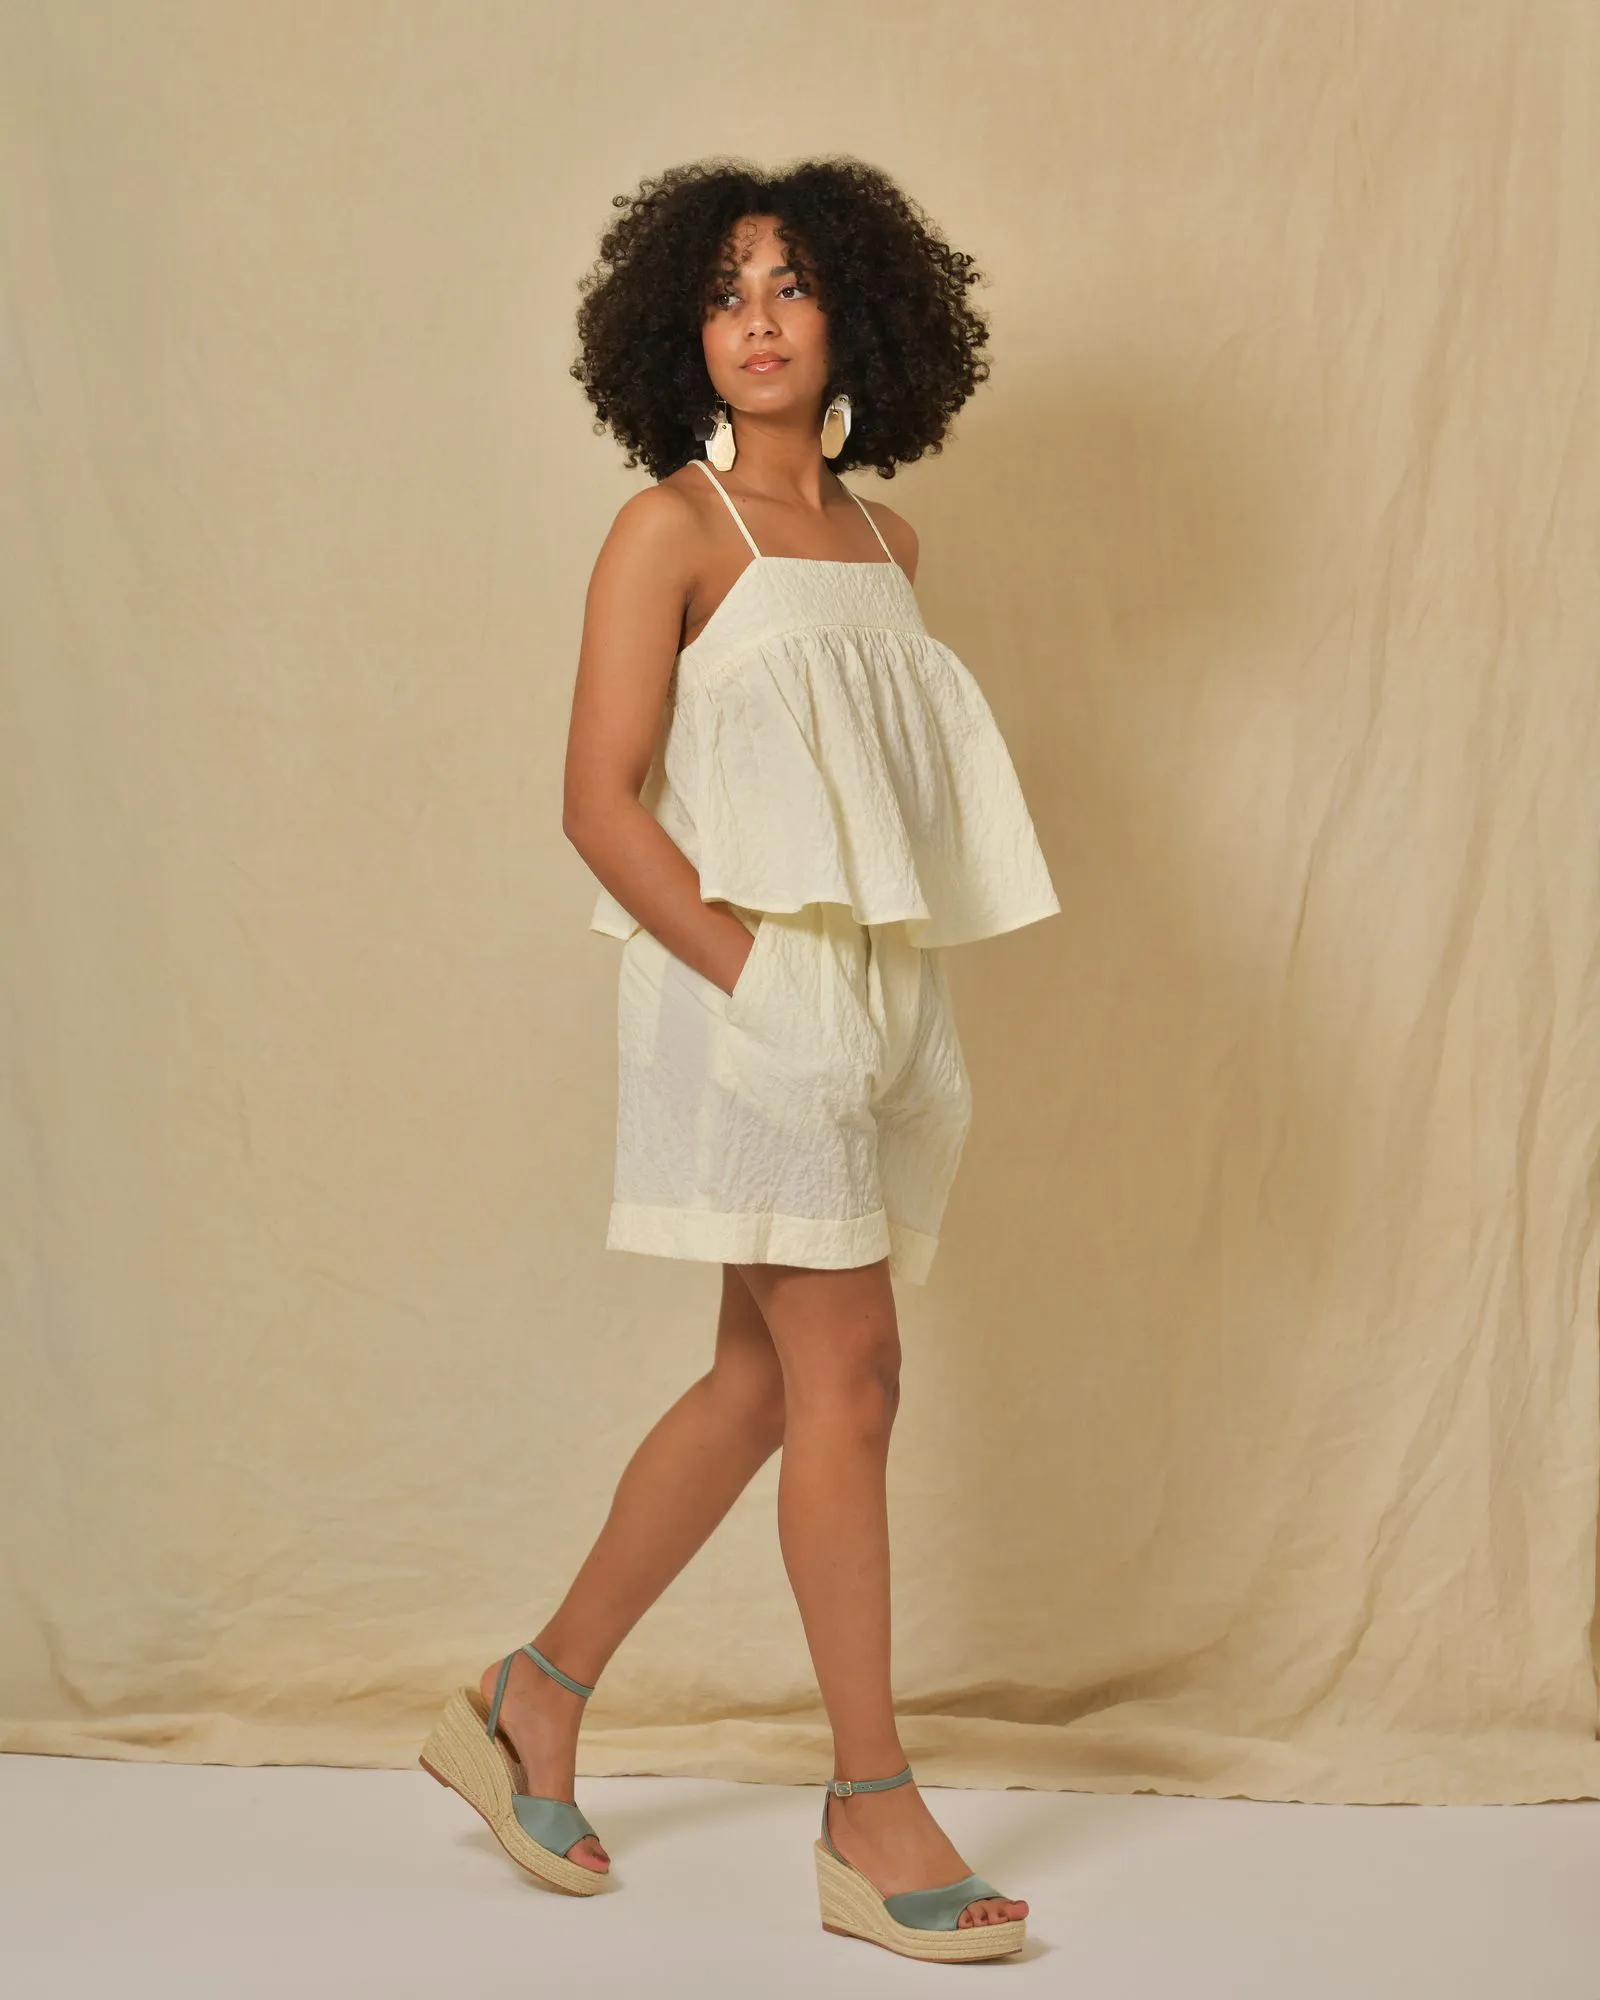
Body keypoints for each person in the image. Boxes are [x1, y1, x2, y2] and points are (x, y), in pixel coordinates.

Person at [420, 157, 1058, 1963]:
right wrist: (761, 981)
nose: (758, 319)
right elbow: (596, 802)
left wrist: (867, 1004)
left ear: (857, 315)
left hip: (872, 1002)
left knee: (761, 1387)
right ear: (679, 335)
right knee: (854, 1376)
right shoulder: (671, 530)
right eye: (724, 292)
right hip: (743, 998)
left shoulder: (889, 549)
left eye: (790, 284)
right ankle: (870, 1804)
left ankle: (531, 1698)